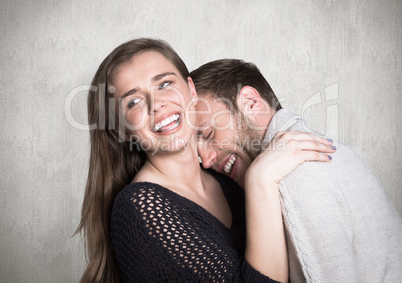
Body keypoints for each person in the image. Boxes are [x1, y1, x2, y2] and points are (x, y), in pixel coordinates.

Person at [76, 39, 335, 283]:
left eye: (164, 84)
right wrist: (261, 178)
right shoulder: (140, 207)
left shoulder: (227, 179)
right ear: (122, 129)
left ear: (191, 90)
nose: (156, 104)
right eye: (133, 101)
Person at [190, 59, 402, 283]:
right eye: (195, 150)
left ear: (251, 103)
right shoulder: (327, 149)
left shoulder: (295, 180)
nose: (205, 160)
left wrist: (258, 178)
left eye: (209, 133)